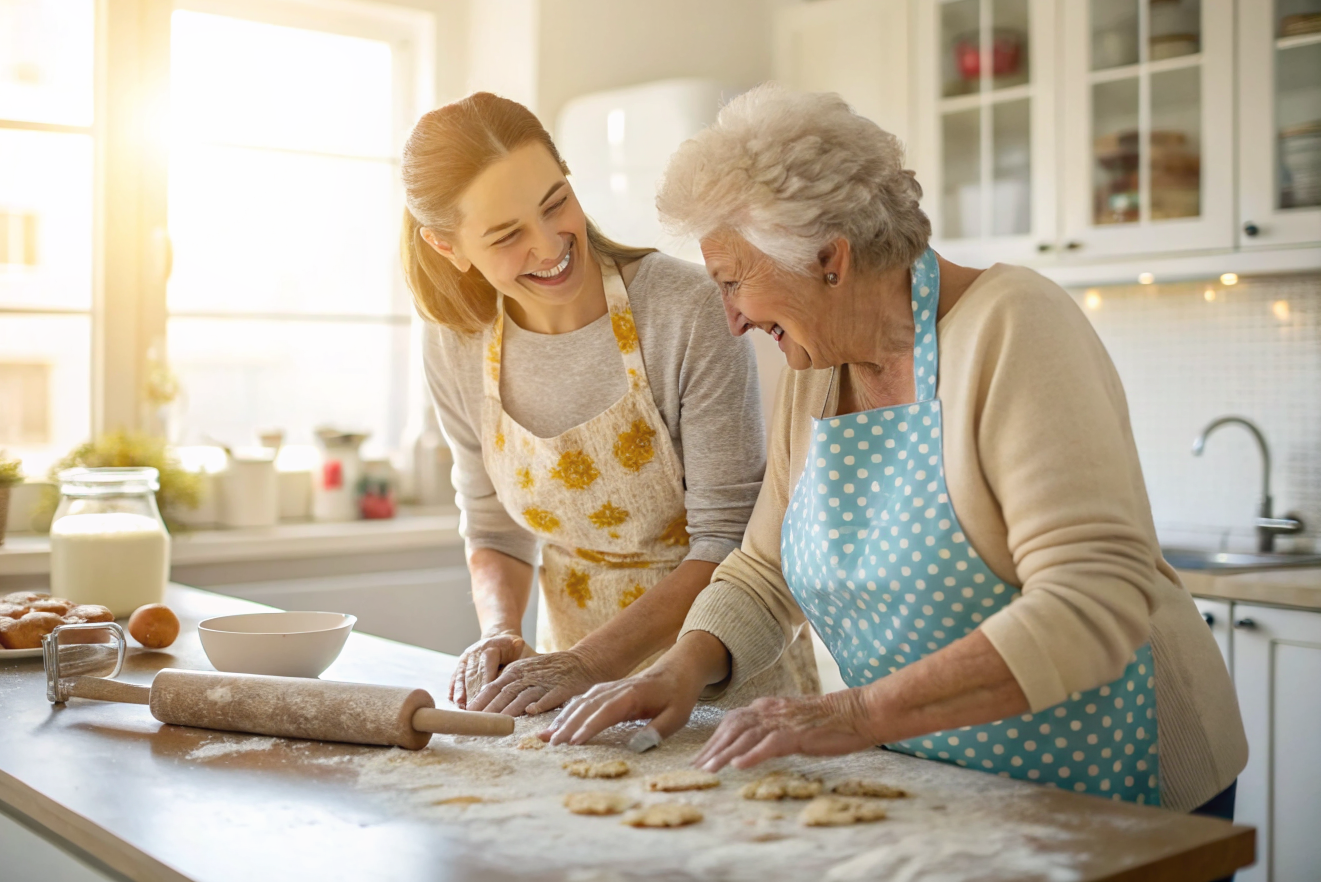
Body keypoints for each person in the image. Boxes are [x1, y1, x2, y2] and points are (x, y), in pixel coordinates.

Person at [544, 85, 1247, 818]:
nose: (731, 322)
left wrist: (855, 717)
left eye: (732, 283)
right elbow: (760, 570)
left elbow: (1089, 606)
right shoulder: (818, 369)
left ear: (829, 259)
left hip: (1116, 784)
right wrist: (680, 670)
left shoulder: (1015, 327)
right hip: (948, 787)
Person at [402, 92, 817, 716]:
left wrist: (591, 663)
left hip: (722, 683)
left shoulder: (686, 310)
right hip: (567, 692)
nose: (549, 245)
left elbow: (727, 538)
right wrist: (499, 633)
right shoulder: (456, 343)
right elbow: (493, 527)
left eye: (556, 203)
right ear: (448, 247)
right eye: (508, 234)